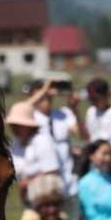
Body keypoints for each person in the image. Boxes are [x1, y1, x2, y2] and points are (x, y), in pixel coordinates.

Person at [29, 78, 81, 208]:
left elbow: (81, 133)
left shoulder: (64, 113)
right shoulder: (29, 117)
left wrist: (74, 108)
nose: (46, 96)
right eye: (41, 94)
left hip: (69, 185)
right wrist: (44, 89)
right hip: (43, 188)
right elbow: (21, 108)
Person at [82, 77, 111, 168]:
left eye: (96, 99)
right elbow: (88, 138)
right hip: (95, 166)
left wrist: (109, 167)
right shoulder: (91, 112)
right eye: (90, 99)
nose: (92, 102)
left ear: (107, 95)